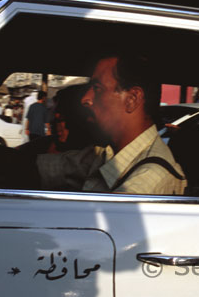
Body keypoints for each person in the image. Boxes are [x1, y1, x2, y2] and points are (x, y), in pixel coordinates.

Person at [36, 53, 187, 195]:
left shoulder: (146, 182)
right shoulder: (106, 153)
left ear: (132, 99)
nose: (86, 99)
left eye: (97, 88)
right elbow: (46, 168)